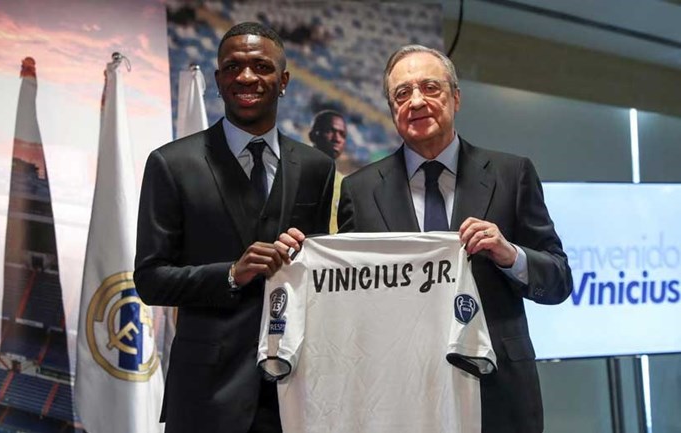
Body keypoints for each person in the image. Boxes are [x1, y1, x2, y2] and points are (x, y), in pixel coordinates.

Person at [276, 45, 573, 433]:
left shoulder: (511, 174)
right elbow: (348, 295)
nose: (416, 101)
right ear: (392, 109)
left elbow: (559, 280)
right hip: (397, 397)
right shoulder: (360, 190)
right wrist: (300, 261)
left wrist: (510, 254)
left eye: (430, 88)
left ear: (456, 97)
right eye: (402, 93)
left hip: (498, 393)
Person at [135, 22, 335, 433]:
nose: (245, 77)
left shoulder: (317, 167)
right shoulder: (171, 164)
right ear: (218, 79)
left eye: (261, 66)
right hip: (205, 395)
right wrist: (230, 274)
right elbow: (150, 280)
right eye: (233, 67)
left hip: (292, 391)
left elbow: (320, 282)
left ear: (283, 81)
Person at [308, 110, 347, 233]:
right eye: (330, 131)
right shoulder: (294, 171)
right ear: (313, 135)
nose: (337, 139)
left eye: (342, 135)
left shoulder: (345, 184)